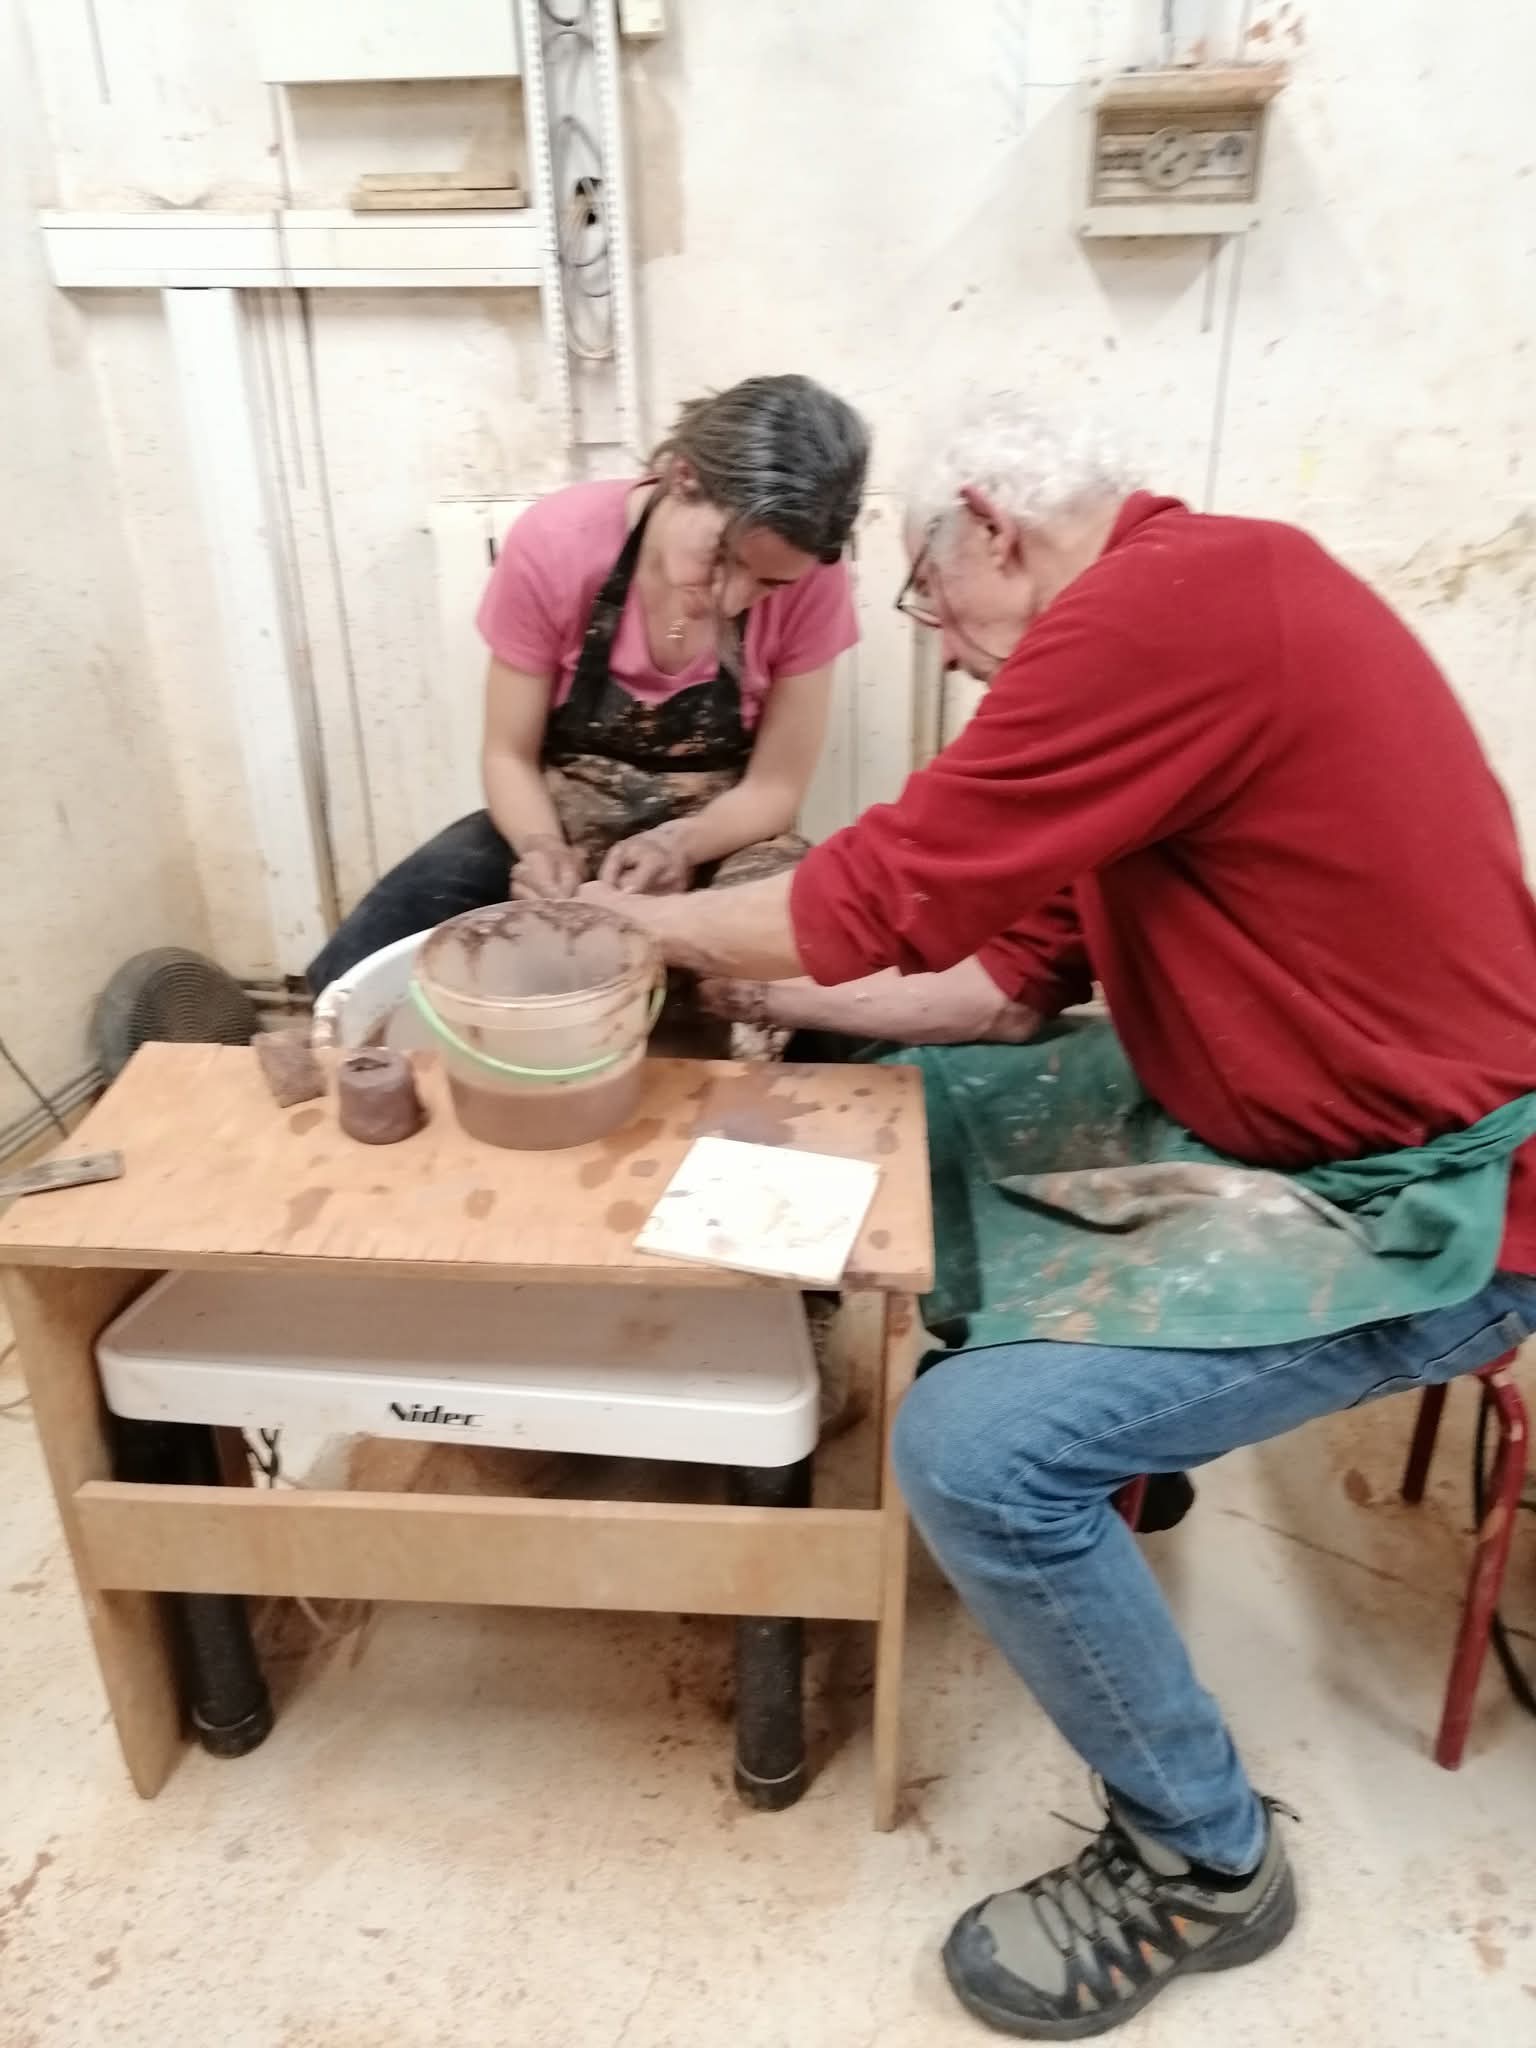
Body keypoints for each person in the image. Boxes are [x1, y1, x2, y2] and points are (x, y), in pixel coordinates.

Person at [581, 395, 1536, 2038]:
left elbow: (880, 893)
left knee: (975, 1453)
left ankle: (1203, 1858)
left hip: (1439, 1202)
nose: (938, 642)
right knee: (900, 1110)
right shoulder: (1171, 640)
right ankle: (1121, 1453)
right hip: (1268, 1112)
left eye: (929, 596)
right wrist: (776, 1000)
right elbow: (1005, 986)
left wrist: (640, 941)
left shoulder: (1179, 608)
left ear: (998, 529)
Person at [307, 374, 868, 997]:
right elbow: (508, 754)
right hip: (561, 823)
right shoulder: (557, 542)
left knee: (810, 985)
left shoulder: (815, 578)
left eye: (768, 585)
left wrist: (680, 843)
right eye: (723, 560)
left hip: (720, 836)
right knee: (365, 959)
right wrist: (540, 846)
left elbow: (775, 788)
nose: (733, 599)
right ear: (683, 478)